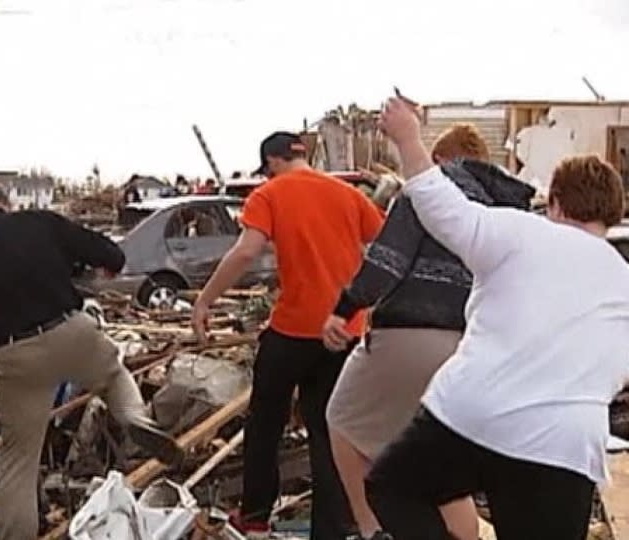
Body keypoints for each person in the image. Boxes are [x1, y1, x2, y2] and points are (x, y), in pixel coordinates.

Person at [365, 97, 629, 539]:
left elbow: (440, 205)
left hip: (473, 413)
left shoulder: (521, 231)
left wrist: (408, 138)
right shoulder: (623, 281)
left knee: (393, 489)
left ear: (556, 203)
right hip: (562, 443)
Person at [0, 180, 183, 540]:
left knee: (17, 463)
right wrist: (108, 266)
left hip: (17, 355)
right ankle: (134, 418)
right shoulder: (41, 221)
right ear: (6, 203)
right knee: (113, 373)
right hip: (71, 331)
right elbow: (109, 254)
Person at [320, 125, 534, 540]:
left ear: (438, 162)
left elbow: (386, 263)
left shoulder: (426, 192)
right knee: (440, 460)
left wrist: (344, 310)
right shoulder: (508, 210)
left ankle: (372, 530)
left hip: (409, 335)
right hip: (470, 347)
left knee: (343, 419)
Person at [191, 132, 384, 539]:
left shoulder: (270, 193)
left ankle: (256, 516)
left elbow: (246, 251)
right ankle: (330, 529)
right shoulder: (347, 194)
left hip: (293, 329)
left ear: (271, 162)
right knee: (328, 430)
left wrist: (205, 301)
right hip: (345, 332)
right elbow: (384, 246)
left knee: (265, 422)